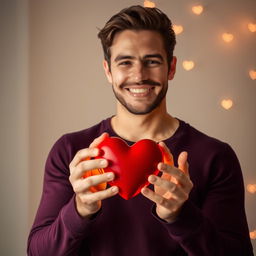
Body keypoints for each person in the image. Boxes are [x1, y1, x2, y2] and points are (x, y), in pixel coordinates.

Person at [27, 5, 254, 256]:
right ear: (108, 71)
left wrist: (180, 215)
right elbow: (38, 252)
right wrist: (79, 208)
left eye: (152, 61)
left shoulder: (215, 156)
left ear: (171, 68)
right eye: (125, 62)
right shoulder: (72, 152)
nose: (139, 75)